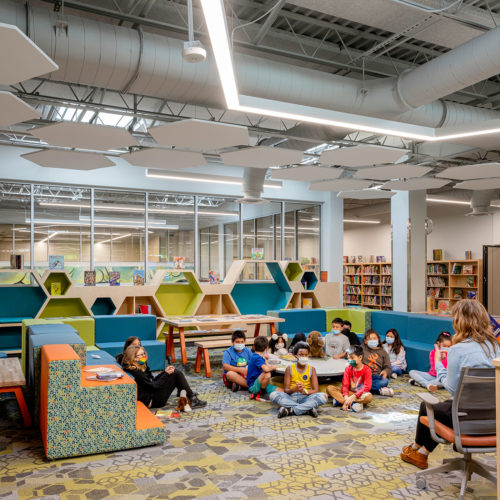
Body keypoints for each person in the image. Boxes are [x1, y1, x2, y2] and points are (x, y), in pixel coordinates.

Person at [401, 299, 500, 469]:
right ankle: (422, 451)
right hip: (494, 419)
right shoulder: (496, 347)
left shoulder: (458, 349)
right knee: (446, 406)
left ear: (460, 322)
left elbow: (453, 389)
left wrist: (439, 363)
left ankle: (417, 449)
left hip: (465, 421)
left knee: (428, 406)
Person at [122, 345, 206, 409]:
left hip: (151, 394)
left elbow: (151, 382)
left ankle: (188, 394)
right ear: (134, 358)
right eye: (141, 355)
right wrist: (166, 374)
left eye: (144, 353)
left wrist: (164, 372)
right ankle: (191, 397)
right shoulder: (137, 373)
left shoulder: (136, 367)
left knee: (173, 372)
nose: (144, 356)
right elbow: (154, 386)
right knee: (176, 373)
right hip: (154, 401)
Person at [269, 341, 328, 418]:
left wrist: (305, 392)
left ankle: (291, 410)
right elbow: (286, 390)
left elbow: (315, 390)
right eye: (301, 355)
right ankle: (307, 409)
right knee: (273, 395)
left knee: (324, 396)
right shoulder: (289, 368)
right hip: (291, 397)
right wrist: (294, 389)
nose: (303, 357)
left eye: (306, 355)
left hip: (306, 397)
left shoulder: (311, 369)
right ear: (296, 356)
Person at [327, 345, 373, 412]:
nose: (350, 360)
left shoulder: (367, 370)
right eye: (348, 358)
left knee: (369, 397)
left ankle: (340, 401)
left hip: (359, 394)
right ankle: (353, 404)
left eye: (352, 358)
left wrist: (354, 396)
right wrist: (346, 396)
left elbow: (367, 387)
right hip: (349, 393)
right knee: (330, 388)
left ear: (360, 357)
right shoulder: (348, 369)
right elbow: (345, 385)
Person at [362, 329, 394, 397]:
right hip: (364, 376)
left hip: (376, 377)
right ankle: (379, 390)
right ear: (365, 341)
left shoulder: (383, 352)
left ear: (378, 340)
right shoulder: (361, 350)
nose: (372, 340)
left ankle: (362, 389)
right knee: (357, 382)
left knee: (384, 381)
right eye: (370, 339)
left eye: (374, 338)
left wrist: (385, 371)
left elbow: (388, 367)